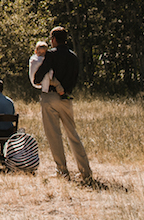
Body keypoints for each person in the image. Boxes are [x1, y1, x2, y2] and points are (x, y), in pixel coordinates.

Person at [32, 27, 93, 183]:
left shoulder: (51, 55)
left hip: (50, 96)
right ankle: (85, 171)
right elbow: (75, 77)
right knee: (73, 134)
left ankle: (62, 170)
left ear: (53, 39)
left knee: (54, 135)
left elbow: (38, 77)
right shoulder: (73, 57)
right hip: (66, 97)